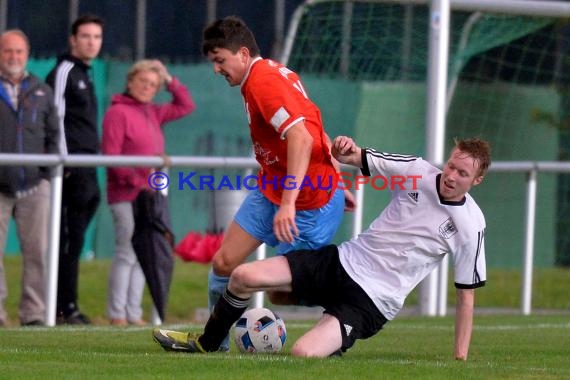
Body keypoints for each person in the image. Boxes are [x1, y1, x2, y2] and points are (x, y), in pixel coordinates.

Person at [153, 136, 491, 360]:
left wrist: (460, 357)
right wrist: (345, 148)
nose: (451, 175)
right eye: (451, 165)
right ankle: (208, 343)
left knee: (303, 353)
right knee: (241, 276)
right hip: (341, 263)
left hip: (372, 301)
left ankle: (335, 336)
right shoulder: (416, 171)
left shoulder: (470, 225)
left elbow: (466, 295)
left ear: (476, 181)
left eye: (462, 173)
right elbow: (356, 156)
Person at [201, 16, 355, 350]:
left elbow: (300, 136)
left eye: (220, 60)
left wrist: (289, 203)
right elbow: (315, 126)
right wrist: (339, 179)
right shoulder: (267, 73)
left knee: (280, 293)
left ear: (242, 53)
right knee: (224, 264)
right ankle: (214, 344)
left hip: (308, 203)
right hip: (272, 187)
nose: (217, 69)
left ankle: (354, 297)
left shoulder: (264, 83)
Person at [102, 59, 195, 326]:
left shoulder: (153, 112)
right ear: (130, 82)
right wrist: (135, 181)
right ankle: (117, 313)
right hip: (126, 195)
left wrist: (169, 79)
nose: (147, 88)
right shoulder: (117, 113)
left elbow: (186, 105)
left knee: (146, 252)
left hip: (150, 196)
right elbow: (112, 156)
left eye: (153, 85)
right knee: (126, 252)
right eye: (143, 82)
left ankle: (133, 312)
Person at [45, 14, 104, 325]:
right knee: (66, 239)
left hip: (88, 169)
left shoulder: (86, 74)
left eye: (96, 37)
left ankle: (68, 305)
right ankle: (61, 307)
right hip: (70, 171)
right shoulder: (65, 72)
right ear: (73, 40)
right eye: (86, 36)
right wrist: (63, 164)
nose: (91, 42)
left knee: (75, 241)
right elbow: (54, 119)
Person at [0, 29, 59, 326]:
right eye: (8, 51)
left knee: (37, 253)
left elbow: (54, 134)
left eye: (19, 52)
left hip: (35, 185)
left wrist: (48, 176)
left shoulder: (41, 89)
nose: (13, 57)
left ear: (27, 54)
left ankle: (33, 315)